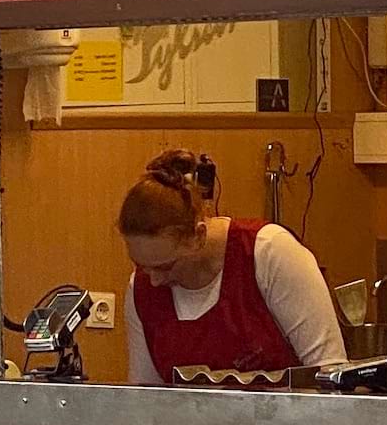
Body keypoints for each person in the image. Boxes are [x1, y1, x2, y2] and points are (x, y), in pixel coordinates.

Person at [119, 150, 347, 385]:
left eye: (166, 267)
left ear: (198, 236)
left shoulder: (269, 253)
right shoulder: (141, 290)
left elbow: (331, 375)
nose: (154, 280)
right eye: (142, 266)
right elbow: (146, 402)